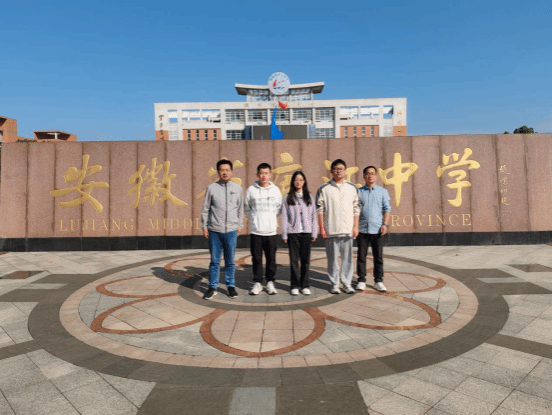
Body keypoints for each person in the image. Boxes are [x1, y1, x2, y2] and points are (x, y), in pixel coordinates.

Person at [201, 159, 243, 300]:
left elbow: (240, 209)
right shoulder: (211, 188)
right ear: (218, 172)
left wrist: (239, 225)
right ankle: (212, 287)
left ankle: (230, 286)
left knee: (230, 261)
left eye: (227, 170)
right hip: (214, 231)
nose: (225, 172)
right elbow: (206, 208)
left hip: (231, 231)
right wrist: (204, 226)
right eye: (222, 170)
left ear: (231, 171)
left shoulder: (237, 189)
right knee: (215, 261)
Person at [316, 159, 360, 294]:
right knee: (332, 259)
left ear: (345, 171)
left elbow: (356, 208)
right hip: (331, 229)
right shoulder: (324, 188)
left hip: (347, 230)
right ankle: (335, 284)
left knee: (348, 259)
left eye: (340, 169)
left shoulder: (351, 188)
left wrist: (355, 227)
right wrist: (322, 228)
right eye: (335, 169)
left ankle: (347, 283)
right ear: (331, 171)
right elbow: (320, 209)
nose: (338, 171)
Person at [244, 163, 282, 295]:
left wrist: (271, 219)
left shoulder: (275, 190)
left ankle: (270, 282)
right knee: (256, 258)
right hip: (256, 231)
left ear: (270, 175)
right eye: (261, 173)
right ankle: (257, 283)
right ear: (257, 174)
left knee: (271, 258)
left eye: (266, 173)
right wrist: (254, 219)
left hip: (271, 231)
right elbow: (247, 208)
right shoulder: (251, 190)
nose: (263, 176)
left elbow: (279, 208)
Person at [282, 171, 318, 295]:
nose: (298, 182)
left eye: (301, 180)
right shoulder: (287, 197)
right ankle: (294, 285)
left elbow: (313, 216)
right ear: (292, 182)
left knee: (305, 260)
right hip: (293, 233)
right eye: (296, 180)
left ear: (304, 182)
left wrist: (314, 232)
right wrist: (285, 233)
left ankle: (305, 285)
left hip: (306, 233)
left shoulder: (309, 197)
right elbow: (285, 217)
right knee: (294, 261)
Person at [356, 165, 391, 292]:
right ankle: (361, 280)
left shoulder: (382, 192)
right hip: (362, 229)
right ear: (364, 176)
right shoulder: (359, 192)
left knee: (378, 257)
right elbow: (355, 210)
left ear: (376, 176)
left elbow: (387, 209)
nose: (370, 176)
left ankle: (378, 281)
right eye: (367, 173)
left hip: (378, 229)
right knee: (361, 256)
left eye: (372, 173)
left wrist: (385, 224)